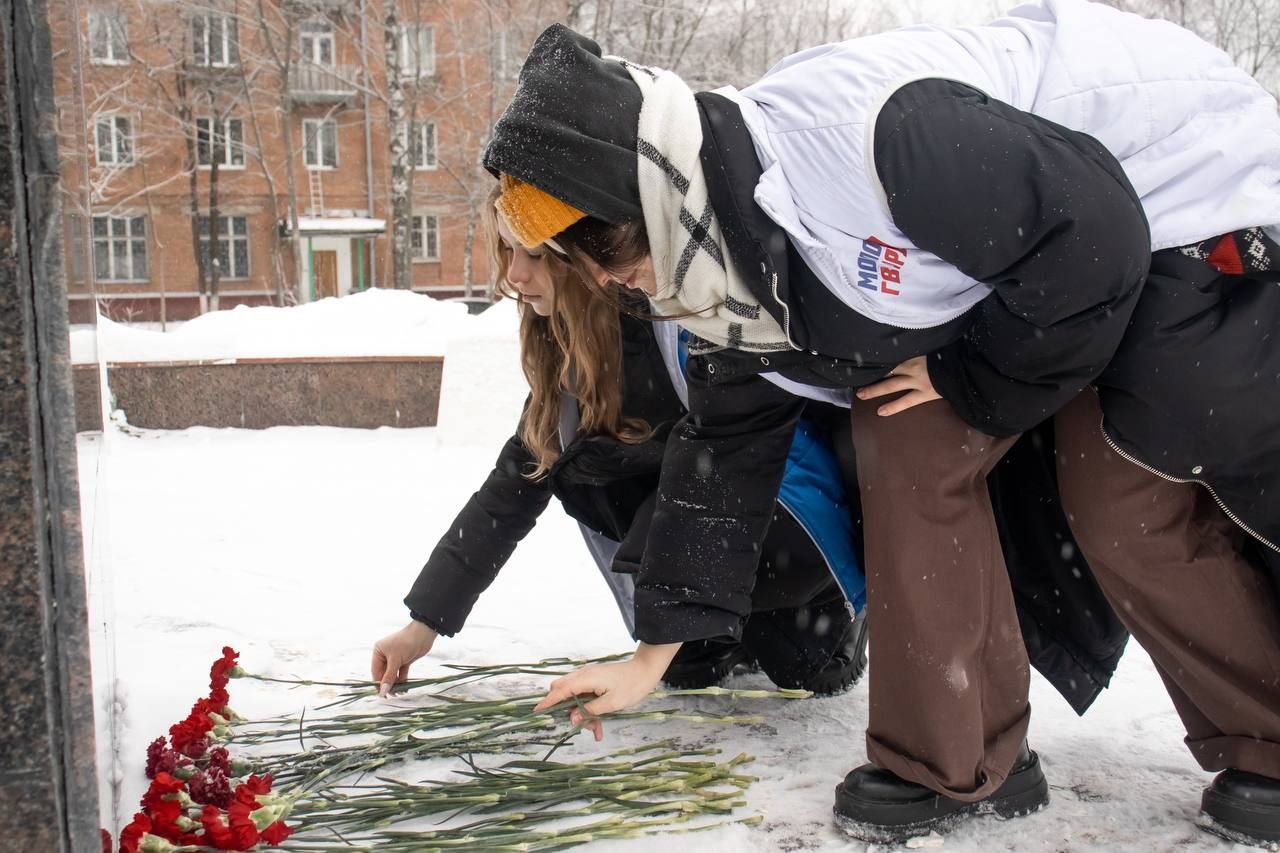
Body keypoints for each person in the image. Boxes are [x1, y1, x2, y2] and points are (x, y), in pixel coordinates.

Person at [486, 0, 1280, 846]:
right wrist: (654, 653)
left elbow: (1094, 235)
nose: (608, 285)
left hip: (1177, 186)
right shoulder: (717, 266)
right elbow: (725, 447)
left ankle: (1267, 731)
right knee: (903, 434)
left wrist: (966, 375)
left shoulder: (879, 141)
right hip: (1031, 259)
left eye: (603, 259)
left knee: (1118, 487)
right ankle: (960, 759)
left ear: (648, 197)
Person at [371, 188, 872, 710]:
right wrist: (423, 624)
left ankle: (836, 616)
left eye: (535, 256)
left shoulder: (665, 324)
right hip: (701, 536)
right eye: (508, 254)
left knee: (807, 667)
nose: (514, 277)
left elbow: (722, 472)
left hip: (786, 512)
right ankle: (714, 629)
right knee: (684, 662)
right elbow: (510, 491)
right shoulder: (573, 362)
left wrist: (658, 634)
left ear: (584, 260)